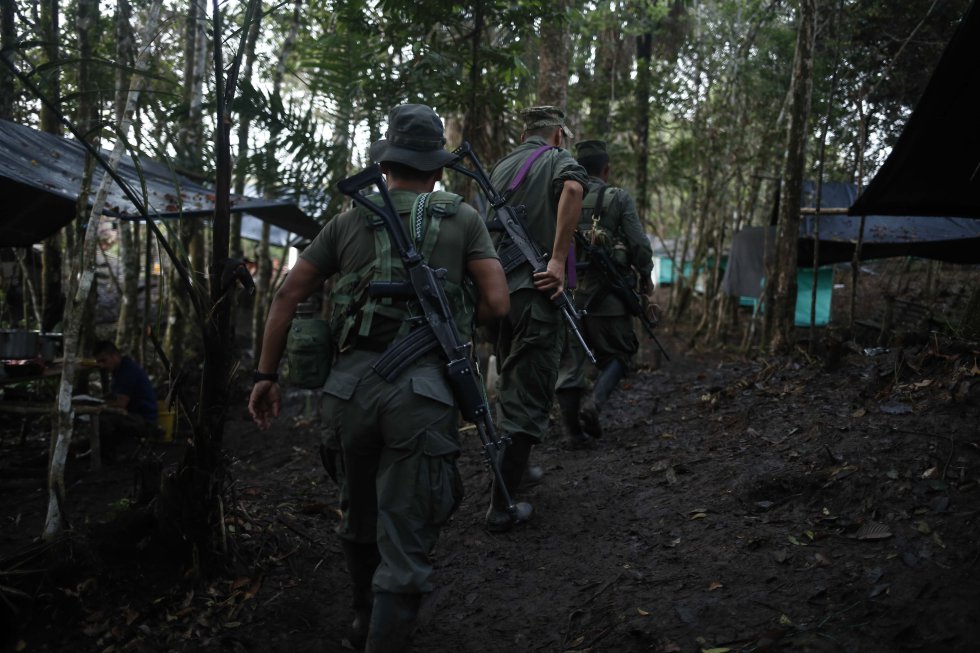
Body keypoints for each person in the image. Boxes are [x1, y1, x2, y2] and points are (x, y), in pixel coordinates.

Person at [248, 103, 509, 653]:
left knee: (357, 511)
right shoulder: (462, 217)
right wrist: (453, 321)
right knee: (406, 530)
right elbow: (498, 304)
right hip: (423, 393)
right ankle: (384, 636)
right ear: (437, 167)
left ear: (387, 165)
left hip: (347, 393)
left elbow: (287, 295)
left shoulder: (347, 221)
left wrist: (266, 375)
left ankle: (361, 619)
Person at [485, 106, 588, 532]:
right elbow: (574, 190)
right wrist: (559, 259)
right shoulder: (556, 159)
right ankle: (500, 506)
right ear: (559, 135)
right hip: (536, 291)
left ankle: (519, 470)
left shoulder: (500, 166)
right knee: (529, 391)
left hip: (495, 296)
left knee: (511, 382)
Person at [555, 140, 654, 446]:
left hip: (566, 294)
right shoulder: (616, 198)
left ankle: (572, 433)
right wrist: (646, 277)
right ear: (606, 169)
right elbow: (638, 243)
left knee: (571, 363)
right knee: (621, 354)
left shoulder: (561, 196)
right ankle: (594, 404)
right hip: (607, 296)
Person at [93, 340, 158, 460]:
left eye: (104, 360)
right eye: (99, 362)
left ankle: (112, 456)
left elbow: (121, 404)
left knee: (102, 419)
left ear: (115, 355)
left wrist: (99, 405)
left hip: (145, 420)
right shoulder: (120, 369)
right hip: (134, 415)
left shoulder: (127, 371)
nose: (101, 365)